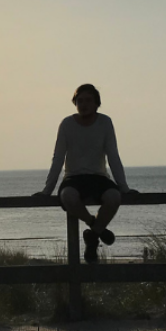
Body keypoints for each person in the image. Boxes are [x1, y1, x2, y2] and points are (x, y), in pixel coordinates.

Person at [33, 83, 137, 264]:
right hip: (73, 178)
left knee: (114, 197)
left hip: (99, 177)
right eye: (80, 101)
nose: (84, 104)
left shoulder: (105, 122)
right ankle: (95, 227)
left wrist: (124, 188)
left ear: (97, 103)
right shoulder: (67, 124)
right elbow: (58, 158)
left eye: (88, 100)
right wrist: (47, 191)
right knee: (68, 196)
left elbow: (113, 155)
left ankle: (92, 236)